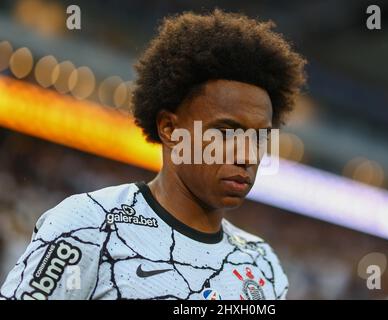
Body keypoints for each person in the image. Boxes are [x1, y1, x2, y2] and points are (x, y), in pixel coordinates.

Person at [0, 9, 306, 300]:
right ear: (170, 128)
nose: (247, 155)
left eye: (260, 137)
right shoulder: (88, 225)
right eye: (225, 132)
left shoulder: (262, 264)